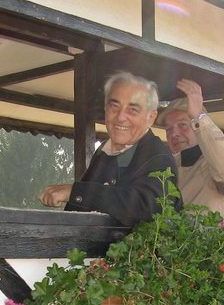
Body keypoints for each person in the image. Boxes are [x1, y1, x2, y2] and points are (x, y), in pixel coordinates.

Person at [38, 71, 179, 226]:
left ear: (151, 118)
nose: (120, 117)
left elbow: (147, 208)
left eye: (133, 110)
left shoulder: (159, 158)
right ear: (105, 108)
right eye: (114, 106)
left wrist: (75, 192)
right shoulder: (103, 151)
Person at [155, 79, 224, 217]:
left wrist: (198, 117)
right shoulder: (169, 168)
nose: (174, 134)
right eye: (168, 129)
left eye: (182, 125)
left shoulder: (223, 163)